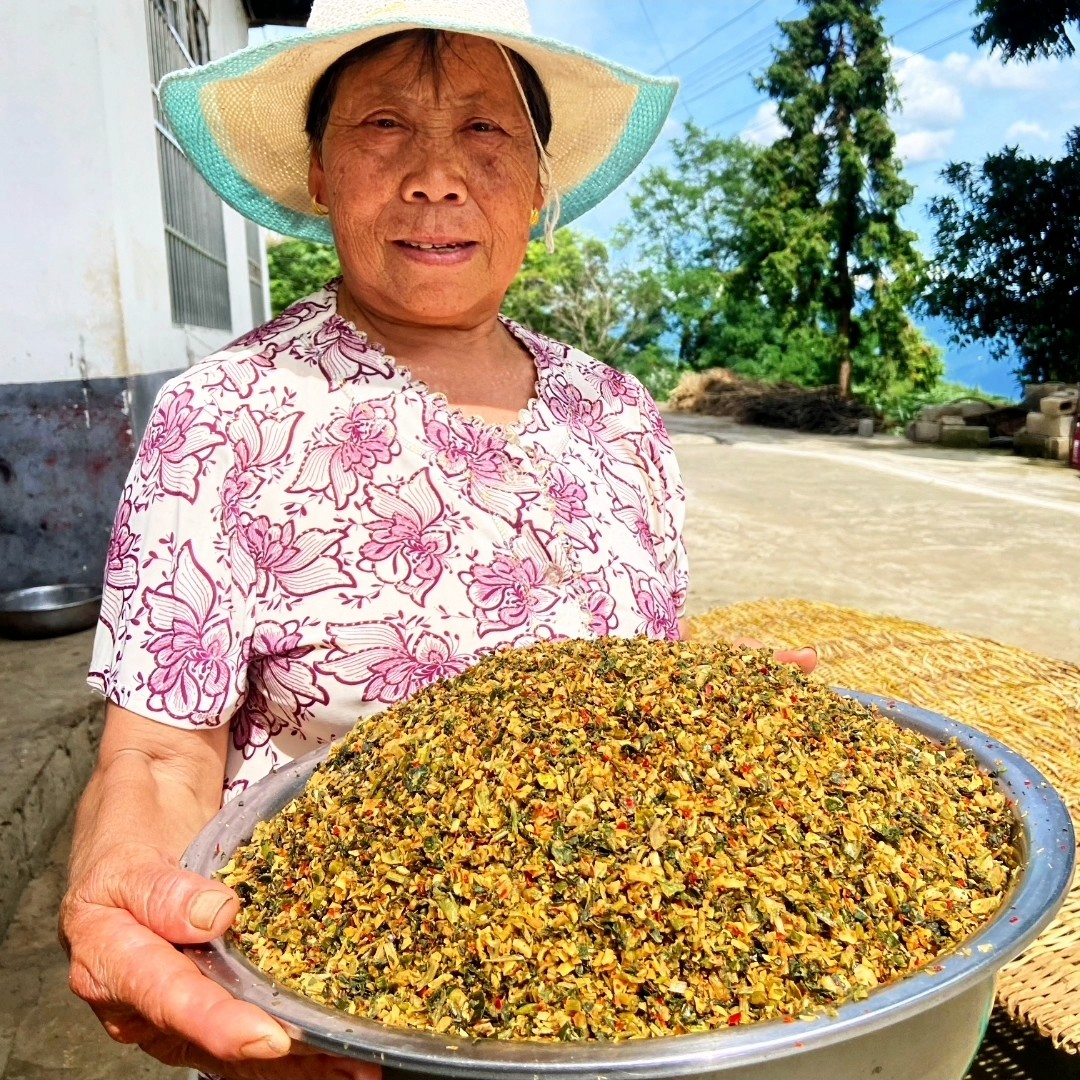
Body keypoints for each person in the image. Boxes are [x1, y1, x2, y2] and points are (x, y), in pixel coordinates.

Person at [60, 2, 815, 1077]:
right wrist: (124, 868)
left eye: (484, 131)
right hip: (351, 996)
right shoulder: (226, 414)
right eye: (382, 127)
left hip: (633, 973)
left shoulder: (615, 410)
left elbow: (629, 685)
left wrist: (707, 709)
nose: (433, 178)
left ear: (541, 182)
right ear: (318, 173)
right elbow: (157, 748)